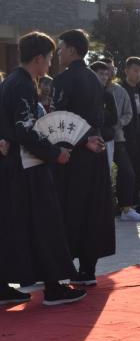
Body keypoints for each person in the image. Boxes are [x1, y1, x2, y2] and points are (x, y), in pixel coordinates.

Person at [0, 31, 86, 306]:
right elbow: (24, 130)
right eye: (49, 57)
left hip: (14, 165)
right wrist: (55, 153)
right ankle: (53, 287)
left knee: (15, 225)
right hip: (28, 166)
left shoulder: (11, 81)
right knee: (46, 224)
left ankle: (4, 286)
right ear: (38, 59)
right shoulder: (23, 85)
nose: (51, 62)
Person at [52, 29, 114, 287]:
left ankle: (65, 267)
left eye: (61, 48)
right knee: (93, 208)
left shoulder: (63, 80)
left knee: (69, 208)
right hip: (95, 149)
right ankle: (88, 269)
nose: (58, 53)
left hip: (72, 153)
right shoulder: (94, 79)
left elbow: (59, 120)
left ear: (73, 50)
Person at [101, 58, 140, 222]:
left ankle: (126, 208)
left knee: (128, 172)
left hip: (117, 137)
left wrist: (118, 123)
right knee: (101, 175)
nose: (109, 73)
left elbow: (128, 113)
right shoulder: (90, 89)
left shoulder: (120, 91)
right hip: (95, 138)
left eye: (112, 69)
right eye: (105, 70)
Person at [121, 57, 140, 215]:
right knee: (127, 171)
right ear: (126, 71)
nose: (138, 74)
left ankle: (134, 203)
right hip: (126, 137)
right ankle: (124, 205)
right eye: (135, 70)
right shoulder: (120, 90)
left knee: (138, 170)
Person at [89, 62, 119, 170]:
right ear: (92, 74)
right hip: (88, 141)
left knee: (107, 172)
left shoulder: (108, 95)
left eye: (106, 74)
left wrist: (101, 113)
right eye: (101, 73)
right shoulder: (85, 93)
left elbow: (114, 119)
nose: (104, 77)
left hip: (106, 140)